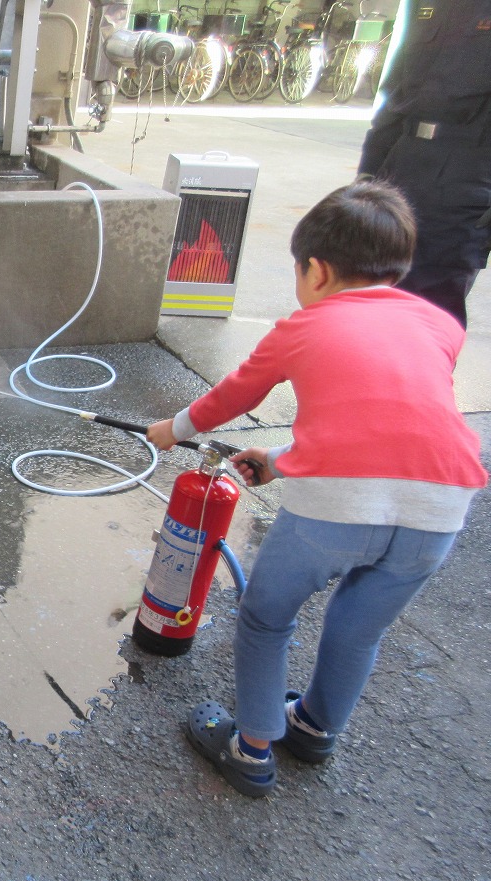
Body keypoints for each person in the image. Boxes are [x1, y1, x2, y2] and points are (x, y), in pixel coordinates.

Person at [147, 181, 487, 798]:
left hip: (334, 511)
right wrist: (277, 461)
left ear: (318, 270)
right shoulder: (441, 325)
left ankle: (250, 750)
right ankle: (313, 728)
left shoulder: (303, 326)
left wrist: (174, 429)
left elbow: (235, 396)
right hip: (442, 504)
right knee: (360, 629)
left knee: (267, 618)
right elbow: (387, 423)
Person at [357, 0, 491, 327]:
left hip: (467, 172)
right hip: (402, 162)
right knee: (373, 293)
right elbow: (394, 93)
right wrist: (368, 172)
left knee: (431, 312)